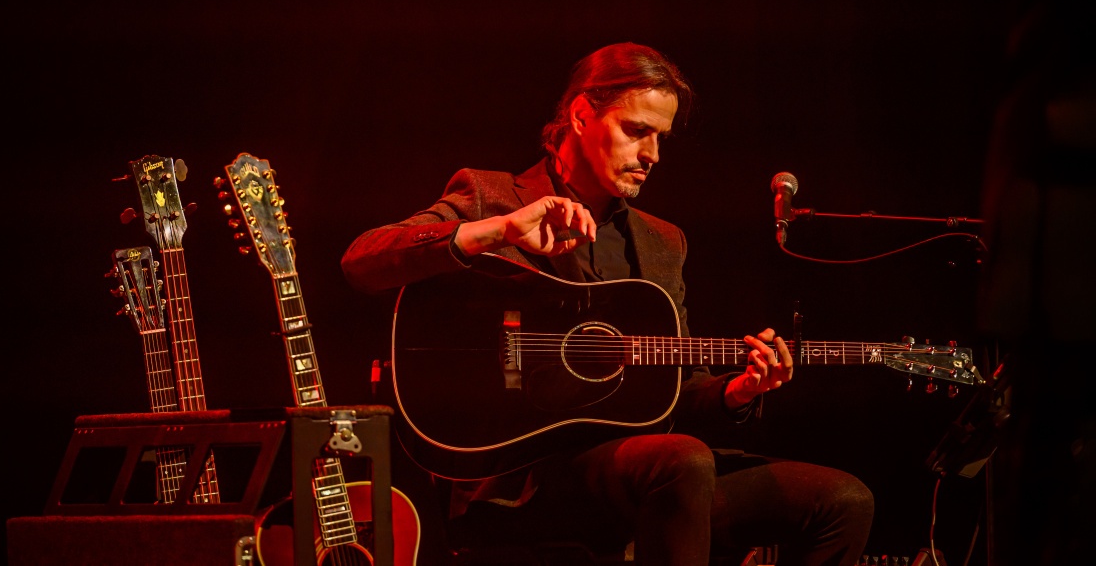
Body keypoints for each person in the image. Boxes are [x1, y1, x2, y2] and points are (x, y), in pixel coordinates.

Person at [341, 42, 875, 565]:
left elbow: (680, 390)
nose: (652, 155)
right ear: (580, 116)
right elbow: (362, 260)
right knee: (683, 460)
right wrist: (498, 230)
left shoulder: (663, 242)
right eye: (636, 131)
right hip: (526, 477)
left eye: (660, 137)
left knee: (842, 501)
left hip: (650, 470)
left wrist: (739, 392)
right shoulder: (492, 197)